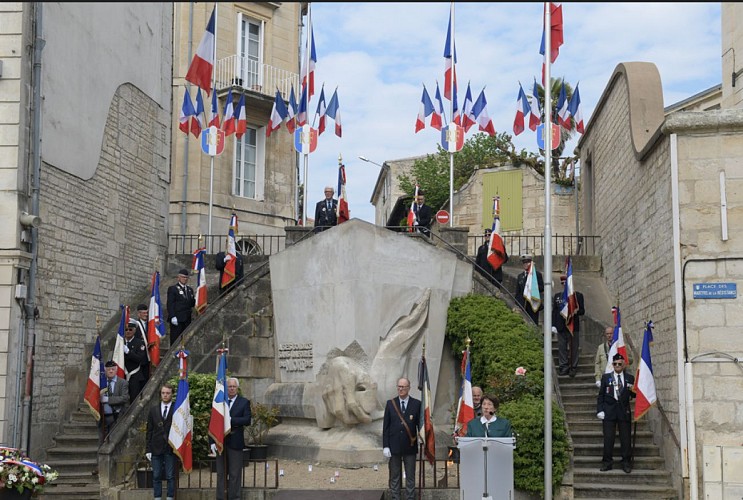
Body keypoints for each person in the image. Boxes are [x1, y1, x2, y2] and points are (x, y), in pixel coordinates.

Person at [210, 377, 251, 500]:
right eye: (229, 386)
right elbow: (213, 422)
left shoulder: (244, 402)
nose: (232, 388)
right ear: (226, 388)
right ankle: (221, 497)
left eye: (234, 386)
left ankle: (235, 497)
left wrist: (231, 420)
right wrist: (212, 441)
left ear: (237, 388)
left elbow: (247, 420)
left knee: (235, 474)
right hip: (220, 442)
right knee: (221, 473)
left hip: (235, 442)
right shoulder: (220, 403)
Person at [382, 377, 421, 500]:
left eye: (403, 387)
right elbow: (386, 427)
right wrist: (386, 446)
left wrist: (422, 437)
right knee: (395, 476)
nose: (401, 389)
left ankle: (410, 498)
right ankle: (395, 498)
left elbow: (420, 425)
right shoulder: (390, 403)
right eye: (399, 386)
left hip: (410, 445)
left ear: (409, 388)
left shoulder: (417, 404)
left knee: (410, 476)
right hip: (394, 447)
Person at [597, 353, 635, 473]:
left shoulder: (630, 378)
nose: (617, 365)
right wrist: (600, 410)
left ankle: (626, 462)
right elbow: (601, 395)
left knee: (625, 438)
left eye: (620, 363)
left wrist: (640, 388)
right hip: (609, 411)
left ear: (624, 364)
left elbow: (634, 394)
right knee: (608, 438)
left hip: (624, 411)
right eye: (615, 364)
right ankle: (607, 462)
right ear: (612, 365)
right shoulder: (606, 377)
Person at [146, 383, 176, 500]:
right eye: (163, 393)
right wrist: (148, 449)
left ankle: (170, 497)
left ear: (172, 394)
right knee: (156, 475)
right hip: (156, 447)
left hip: (170, 447)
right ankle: (157, 497)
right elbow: (149, 431)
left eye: (168, 393)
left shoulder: (177, 409)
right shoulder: (153, 410)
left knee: (170, 476)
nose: (165, 395)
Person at [552, 274, 586, 377]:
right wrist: (553, 325)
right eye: (562, 283)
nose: (564, 285)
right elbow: (554, 312)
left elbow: (582, 311)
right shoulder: (558, 296)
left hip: (573, 326)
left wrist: (575, 311)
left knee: (573, 348)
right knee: (562, 347)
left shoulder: (577, 296)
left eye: (566, 283)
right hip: (561, 326)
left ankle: (573, 367)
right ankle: (563, 366)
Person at [99, 360, 129, 443]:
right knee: (102, 440)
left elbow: (125, 398)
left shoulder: (123, 383)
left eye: (112, 369)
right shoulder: (101, 383)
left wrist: (108, 400)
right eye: (108, 369)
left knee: (114, 440)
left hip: (117, 415)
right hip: (103, 417)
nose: (111, 371)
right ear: (105, 371)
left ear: (116, 370)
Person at [167, 269, 195, 345]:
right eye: (183, 277)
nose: (184, 279)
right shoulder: (173, 289)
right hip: (177, 318)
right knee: (175, 340)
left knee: (185, 340)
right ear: (178, 278)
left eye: (186, 277)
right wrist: (172, 316)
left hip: (187, 319)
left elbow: (191, 303)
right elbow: (170, 303)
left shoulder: (189, 290)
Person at [123, 319, 149, 401]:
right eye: (126, 329)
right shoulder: (121, 342)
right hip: (122, 373)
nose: (128, 331)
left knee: (134, 397)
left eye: (130, 329)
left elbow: (139, 358)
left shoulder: (139, 343)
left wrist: (128, 352)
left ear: (134, 330)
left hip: (135, 374)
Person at [515, 254, 544, 324]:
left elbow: (541, 288)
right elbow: (518, 292)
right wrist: (517, 304)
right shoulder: (520, 276)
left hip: (532, 303)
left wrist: (533, 285)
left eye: (527, 262)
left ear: (531, 263)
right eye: (524, 262)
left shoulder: (537, 274)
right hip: (522, 304)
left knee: (533, 323)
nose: (525, 264)